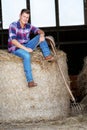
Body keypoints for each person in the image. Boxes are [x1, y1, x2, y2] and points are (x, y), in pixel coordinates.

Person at [8, 9, 54, 88]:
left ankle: (47, 55)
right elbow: (13, 41)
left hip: (26, 45)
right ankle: (30, 81)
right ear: (20, 16)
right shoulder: (13, 25)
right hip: (16, 48)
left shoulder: (28, 26)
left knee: (40, 37)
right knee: (27, 55)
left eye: (27, 17)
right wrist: (26, 49)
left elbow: (39, 30)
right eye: (24, 16)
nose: (25, 19)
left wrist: (42, 34)